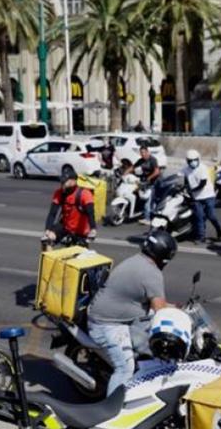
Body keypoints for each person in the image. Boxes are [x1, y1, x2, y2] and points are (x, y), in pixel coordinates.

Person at [86, 229, 177, 395]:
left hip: (115, 315)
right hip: (107, 324)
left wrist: (177, 309)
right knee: (125, 368)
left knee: (145, 344)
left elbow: (157, 304)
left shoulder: (138, 260)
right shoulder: (152, 273)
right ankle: (112, 412)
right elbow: (160, 311)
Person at [44, 170, 97, 246]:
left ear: (73, 181)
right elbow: (52, 213)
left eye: (64, 181)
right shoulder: (59, 193)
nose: (62, 184)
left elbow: (90, 213)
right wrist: (47, 230)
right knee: (47, 241)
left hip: (81, 232)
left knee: (79, 255)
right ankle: (48, 257)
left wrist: (93, 229)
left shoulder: (84, 194)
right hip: (66, 227)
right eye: (61, 181)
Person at [183, 149, 221, 244]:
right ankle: (201, 237)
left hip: (208, 195)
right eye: (190, 160)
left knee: (211, 216)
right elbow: (185, 181)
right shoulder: (186, 170)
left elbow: (202, 183)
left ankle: (218, 229)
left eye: (194, 160)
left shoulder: (203, 168)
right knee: (199, 217)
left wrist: (191, 190)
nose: (192, 162)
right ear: (187, 161)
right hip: (197, 198)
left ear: (198, 159)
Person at [136, 144, 162, 222]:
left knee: (149, 200)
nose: (142, 154)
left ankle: (148, 218)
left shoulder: (152, 159)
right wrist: (125, 173)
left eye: (144, 152)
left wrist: (149, 178)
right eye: (141, 152)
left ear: (147, 152)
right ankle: (145, 213)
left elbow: (157, 171)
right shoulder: (141, 160)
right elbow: (133, 167)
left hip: (154, 182)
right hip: (146, 182)